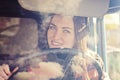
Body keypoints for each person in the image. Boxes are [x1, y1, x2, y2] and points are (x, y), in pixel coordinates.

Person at [0, 14, 109, 80]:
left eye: (66, 31)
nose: (56, 37)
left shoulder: (91, 64)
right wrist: (4, 74)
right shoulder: (32, 61)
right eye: (52, 27)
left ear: (78, 36)